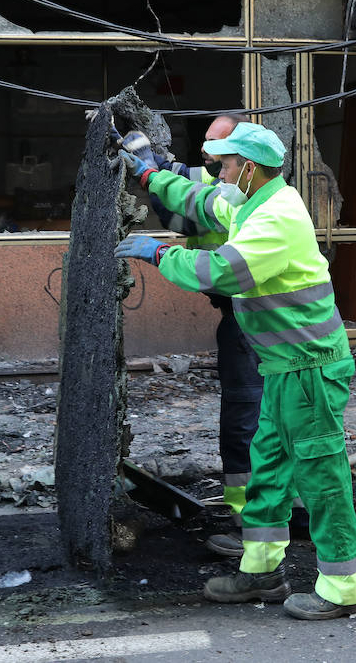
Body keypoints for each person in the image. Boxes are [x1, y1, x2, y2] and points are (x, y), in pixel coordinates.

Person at [114, 122, 356, 620]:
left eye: (226, 164)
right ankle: (261, 572)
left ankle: (347, 588)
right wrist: (149, 175)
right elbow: (197, 199)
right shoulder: (252, 200)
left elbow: (222, 272)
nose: (219, 173)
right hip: (284, 366)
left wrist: (161, 252)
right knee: (269, 469)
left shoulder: (275, 218)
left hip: (310, 369)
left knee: (320, 475)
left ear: (249, 168)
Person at [142, 113, 266, 558]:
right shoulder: (238, 185)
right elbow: (187, 181)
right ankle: (284, 515)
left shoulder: (242, 197)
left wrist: (160, 252)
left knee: (246, 422)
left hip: (254, 322)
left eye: (218, 152)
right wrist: (150, 163)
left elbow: (188, 212)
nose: (207, 156)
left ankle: (254, 529)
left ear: (243, 160)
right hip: (257, 323)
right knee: (265, 422)